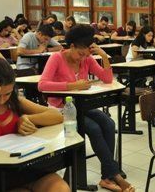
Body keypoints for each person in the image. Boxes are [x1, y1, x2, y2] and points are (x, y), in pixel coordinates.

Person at [38, 25, 135, 192]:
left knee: (109, 123)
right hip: (61, 109)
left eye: (86, 54)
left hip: (82, 105)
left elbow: (106, 78)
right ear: (72, 46)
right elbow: (42, 85)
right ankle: (115, 175)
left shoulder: (87, 59)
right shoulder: (56, 58)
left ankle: (106, 177)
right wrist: (72, 85)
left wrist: (103, 56)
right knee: (94, 128)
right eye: (80, 53)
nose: (82, 58)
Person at [0, 57, 69, 192]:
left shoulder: (15, 103)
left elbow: (57, 116)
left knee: (59, 188)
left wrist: (27, 118)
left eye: (7, 94)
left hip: (25, 169)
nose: (2, 100)